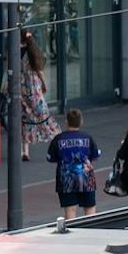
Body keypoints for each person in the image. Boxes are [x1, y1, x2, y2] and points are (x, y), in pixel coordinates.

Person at [47, 109, 101, 220]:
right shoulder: (87, 137)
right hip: (87, 180)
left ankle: (73, 233)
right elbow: (95, 155)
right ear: (81, 122)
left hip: (66, 181)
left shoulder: (59, 139)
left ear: (66, 121)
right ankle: (91, 231)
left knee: (70, 210)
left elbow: (51, 158)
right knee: (90, 208)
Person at [18, 32, 59, 161]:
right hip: (34, 90)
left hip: (20, 91)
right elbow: (39, 72)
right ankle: (57, 139)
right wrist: (45, 84)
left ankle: (24, 151)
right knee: (44, 117)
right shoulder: (32, 52)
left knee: (25, 120)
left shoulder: (14, 53)